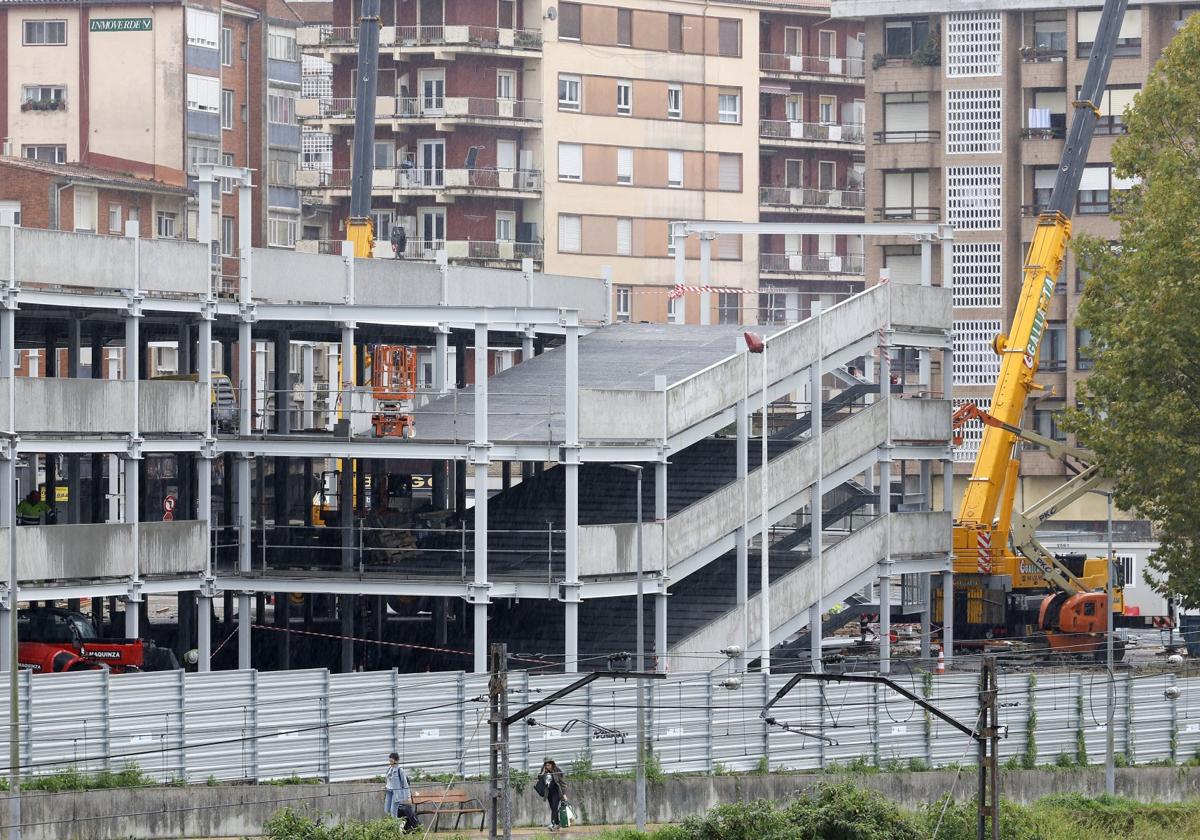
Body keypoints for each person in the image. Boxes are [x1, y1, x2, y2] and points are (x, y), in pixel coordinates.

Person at [384, 752, 420, 832]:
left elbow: (405, 784)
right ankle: (400, 823)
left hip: (396, 794)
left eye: (392, 761)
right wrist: (386, 786)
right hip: (389, 792)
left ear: (396, 761)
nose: (390, 763)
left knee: (393, 812)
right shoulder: (389, 769)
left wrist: (408, 797)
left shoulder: (400, 770)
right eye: (389, 761)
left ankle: (395, 831)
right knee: (387, 811)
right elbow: (388, 780)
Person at [535, 759, 567, 831]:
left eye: (548, 765)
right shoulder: (545, 772)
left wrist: (564, 794)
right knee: (553, 808)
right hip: (549, 793)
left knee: (554, 807)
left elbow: (562, 783)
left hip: (556, 792)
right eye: (546, 765)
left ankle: (552, 824)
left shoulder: (557, 770)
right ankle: (558, 823)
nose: (547, 766)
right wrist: (543, 771)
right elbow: (539, 778)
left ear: (552, 765)